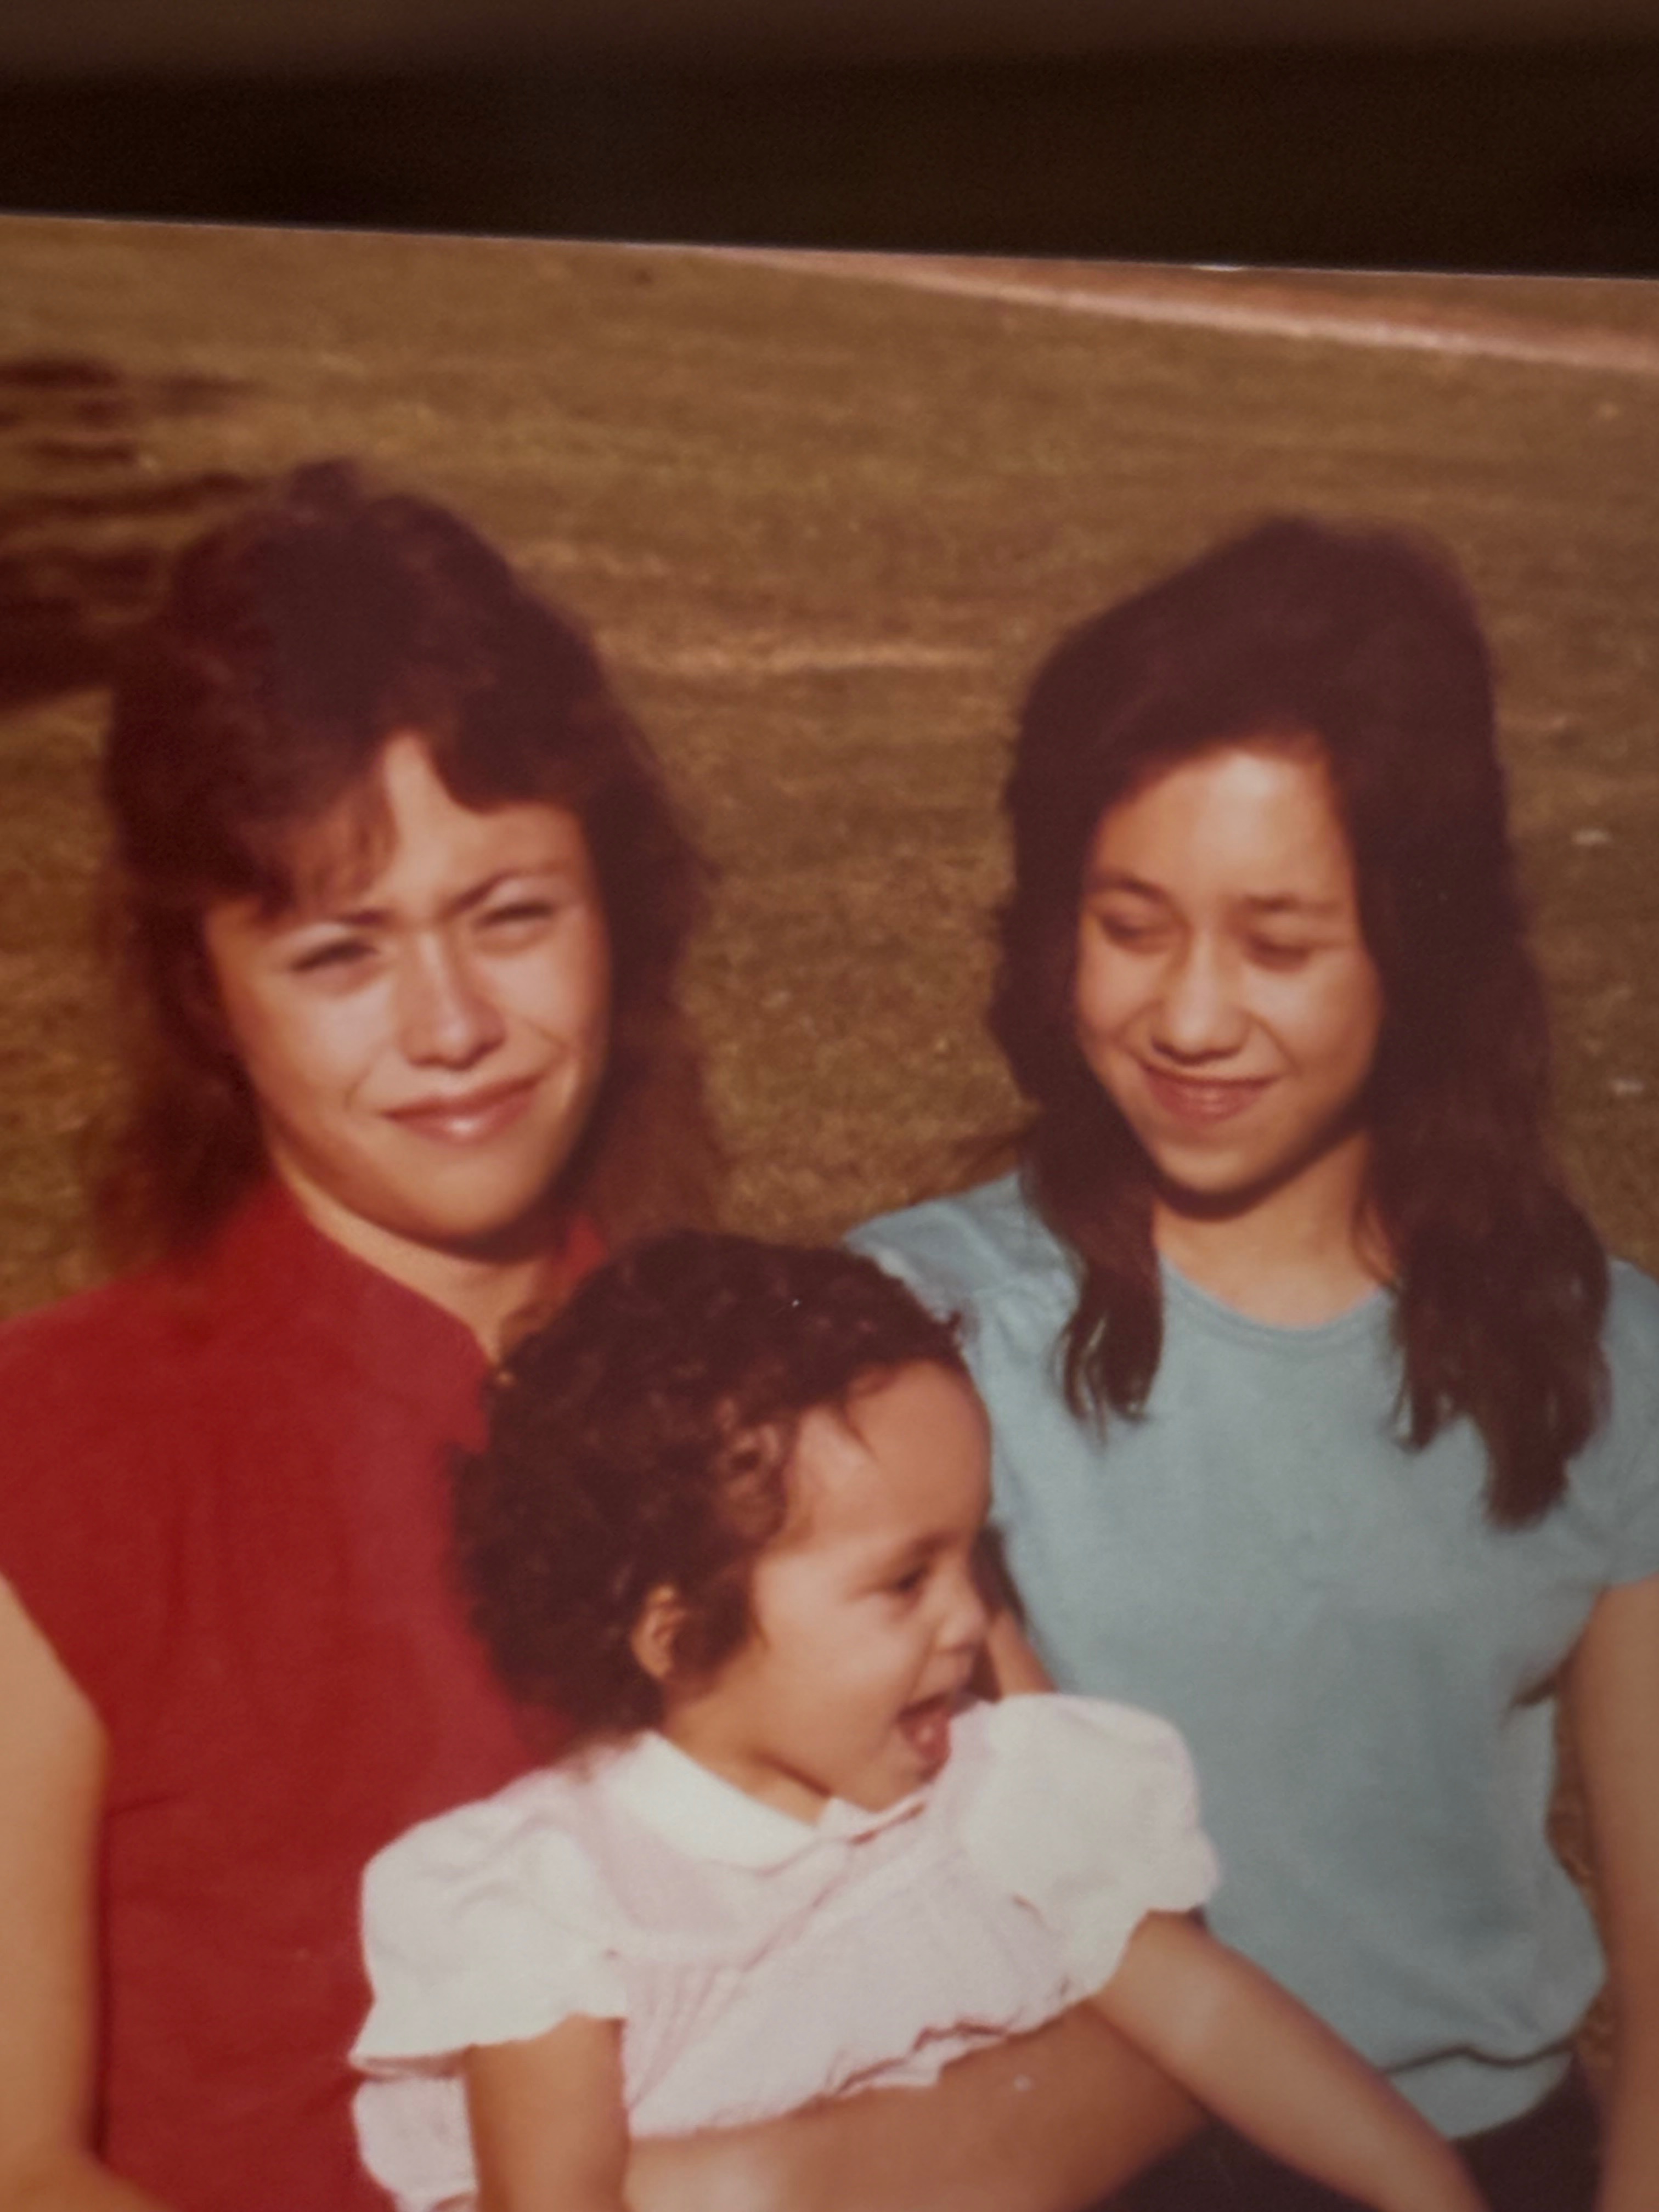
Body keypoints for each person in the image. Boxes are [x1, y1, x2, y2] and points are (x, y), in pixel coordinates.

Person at [0, 462, 1196, 2212]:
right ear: (205, 987)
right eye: (339, 955)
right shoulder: (55, 1450)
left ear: (615, 911)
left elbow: (1146, 2012)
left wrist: (756, 2188)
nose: (451, 1027)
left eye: (512, 917)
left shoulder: (775, 1392)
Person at [851, 515, 1659, 2212]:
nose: (1195, 1018)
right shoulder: (909, 1338)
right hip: (1064, 2158)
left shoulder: (1610, 1361)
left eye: (1280, 945)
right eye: (1132, 925)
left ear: (1423, 948)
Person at [350, 1229, 1486, 2212]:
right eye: (905, 1582)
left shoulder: (998, 1794)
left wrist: (1427, 2189)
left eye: (971, 1556)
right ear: (681, 1636)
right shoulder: (559, 1905)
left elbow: (1209, 2019)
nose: (970, 1621)